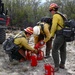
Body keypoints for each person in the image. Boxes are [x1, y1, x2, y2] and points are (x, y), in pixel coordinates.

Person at [49, 3, 67, 71]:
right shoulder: (61, 15)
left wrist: (51, 35)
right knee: (63, 50)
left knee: (54, 50)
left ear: (53, 9)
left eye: (50, 10)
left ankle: (56, 67)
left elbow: (54, 26)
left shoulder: (55, 16)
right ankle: (62, 64)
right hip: (64, 35)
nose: (50, 12)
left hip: (59, 35)